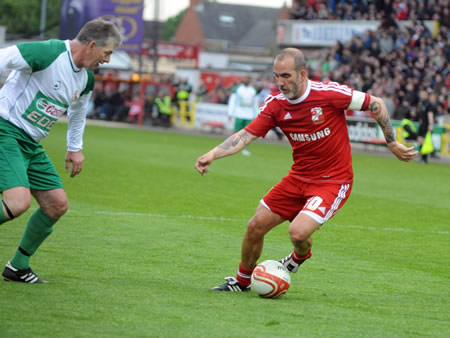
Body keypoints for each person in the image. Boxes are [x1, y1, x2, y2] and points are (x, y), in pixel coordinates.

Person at [195, 48, 417, 292]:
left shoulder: (328, 94)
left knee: (298, 233)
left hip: (333, 181)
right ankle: (242, 280)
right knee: (255, 226)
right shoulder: (275, 105)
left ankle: (298, 258)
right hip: (297, 178)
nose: (280, 82)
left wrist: (391, 142)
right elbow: (246, 136)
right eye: (277, 76)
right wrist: (212, 154)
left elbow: (376, 103)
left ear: (303, 74)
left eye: (286, 76)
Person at [0, 19, 122, 283]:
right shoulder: (47, 53)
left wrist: (74, 148)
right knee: (17, 203)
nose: (108, 60)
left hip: (31, 144)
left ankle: (18, 267)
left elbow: (78, 114)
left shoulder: (86, 78)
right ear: (92, 45)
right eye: (107, 52)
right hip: (5, 131)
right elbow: (3, 59)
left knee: (56, 205)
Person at [227, 74, 259, 156]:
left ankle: (245, 149)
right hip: (239, 113)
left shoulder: (254, 90)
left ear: (250, 80)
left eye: (248, 78)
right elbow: (232, 101)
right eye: (245, 78)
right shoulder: (237, 89)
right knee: (236, 132)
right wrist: (230, 113)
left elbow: (256, 104)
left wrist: (256, 115)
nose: (246, 79)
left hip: (249, 115)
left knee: (248, 133)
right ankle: (233, 147)